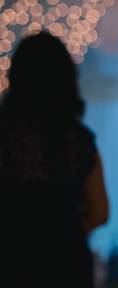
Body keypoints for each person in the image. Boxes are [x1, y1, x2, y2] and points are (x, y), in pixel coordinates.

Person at [0, 31, 109, 288]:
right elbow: (101, 212)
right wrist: (63, 231)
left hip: (11, 262)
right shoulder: (80, 142)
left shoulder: (4, 138)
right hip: (66, 265)